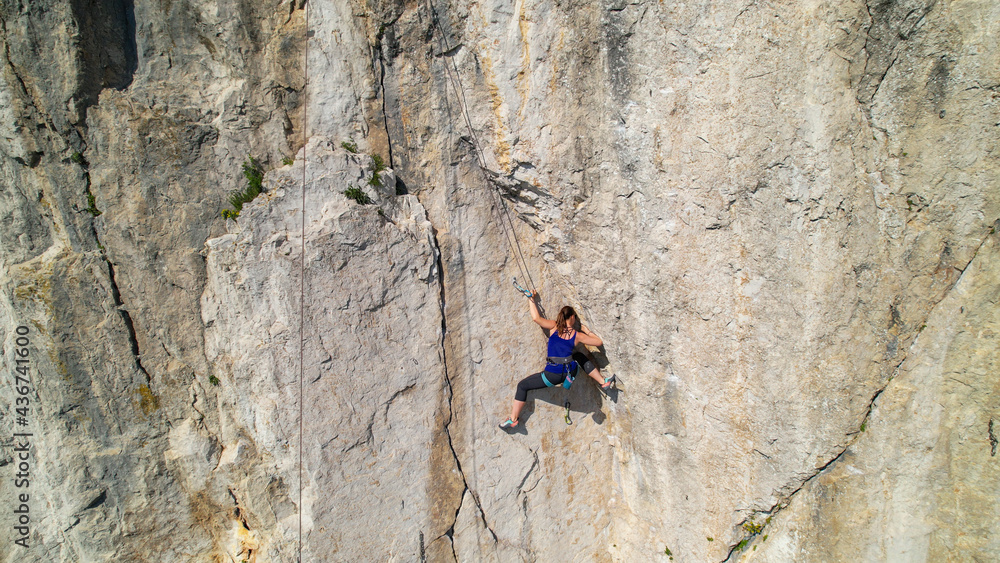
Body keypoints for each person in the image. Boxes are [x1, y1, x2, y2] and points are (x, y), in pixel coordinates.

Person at [499, 292, 615, 430]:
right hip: (568, 371)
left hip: (552, 376)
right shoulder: (577, 335)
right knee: (578, 356)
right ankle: (603, 382)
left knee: (522, 386)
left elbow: (536, 318)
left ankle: (513, 419)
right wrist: (587, 331)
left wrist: (531, 299)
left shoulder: (554, 327)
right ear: (572, 317)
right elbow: (598, 341)